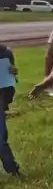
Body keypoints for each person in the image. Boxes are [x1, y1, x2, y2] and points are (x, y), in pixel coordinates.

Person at [0, 42, 20, 178]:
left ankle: (12, 169)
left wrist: (13, 73)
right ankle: (12, 169)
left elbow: (10, 79)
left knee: (1, 138)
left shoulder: (5, 52)